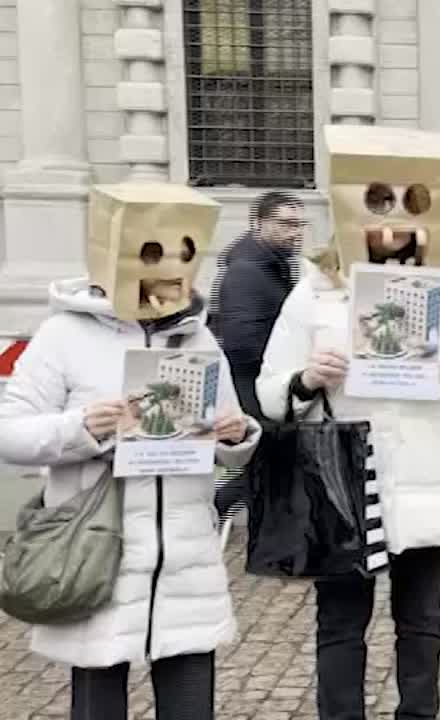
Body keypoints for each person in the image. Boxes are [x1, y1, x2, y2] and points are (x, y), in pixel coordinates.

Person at [0, 183, 260, 720]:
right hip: (98, 554)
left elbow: (227, 442)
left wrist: (236, 437)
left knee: (191, 707)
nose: (166, 268)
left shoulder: (199, 339)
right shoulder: (63, 336)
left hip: (184, 562)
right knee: (99, 707)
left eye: (181, 254)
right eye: (150, 254)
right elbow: (10, 433)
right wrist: (82, 429)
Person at [255, 229, 440, 719]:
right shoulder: (316, 285)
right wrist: (308, 379)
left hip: (426, 470)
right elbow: (271, 387)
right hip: (345, 475)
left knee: (422, 619)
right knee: (340, 620)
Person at [208, 191, 306, 526]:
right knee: (268, 461)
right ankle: (218, 507)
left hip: (259, 380)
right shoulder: (247, 270)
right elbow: (241, 341)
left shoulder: (271, 264)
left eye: (299, 224)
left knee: (269, 464)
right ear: (258, 224)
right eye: (285, 223)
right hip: (250, 384)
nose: (295, 231)